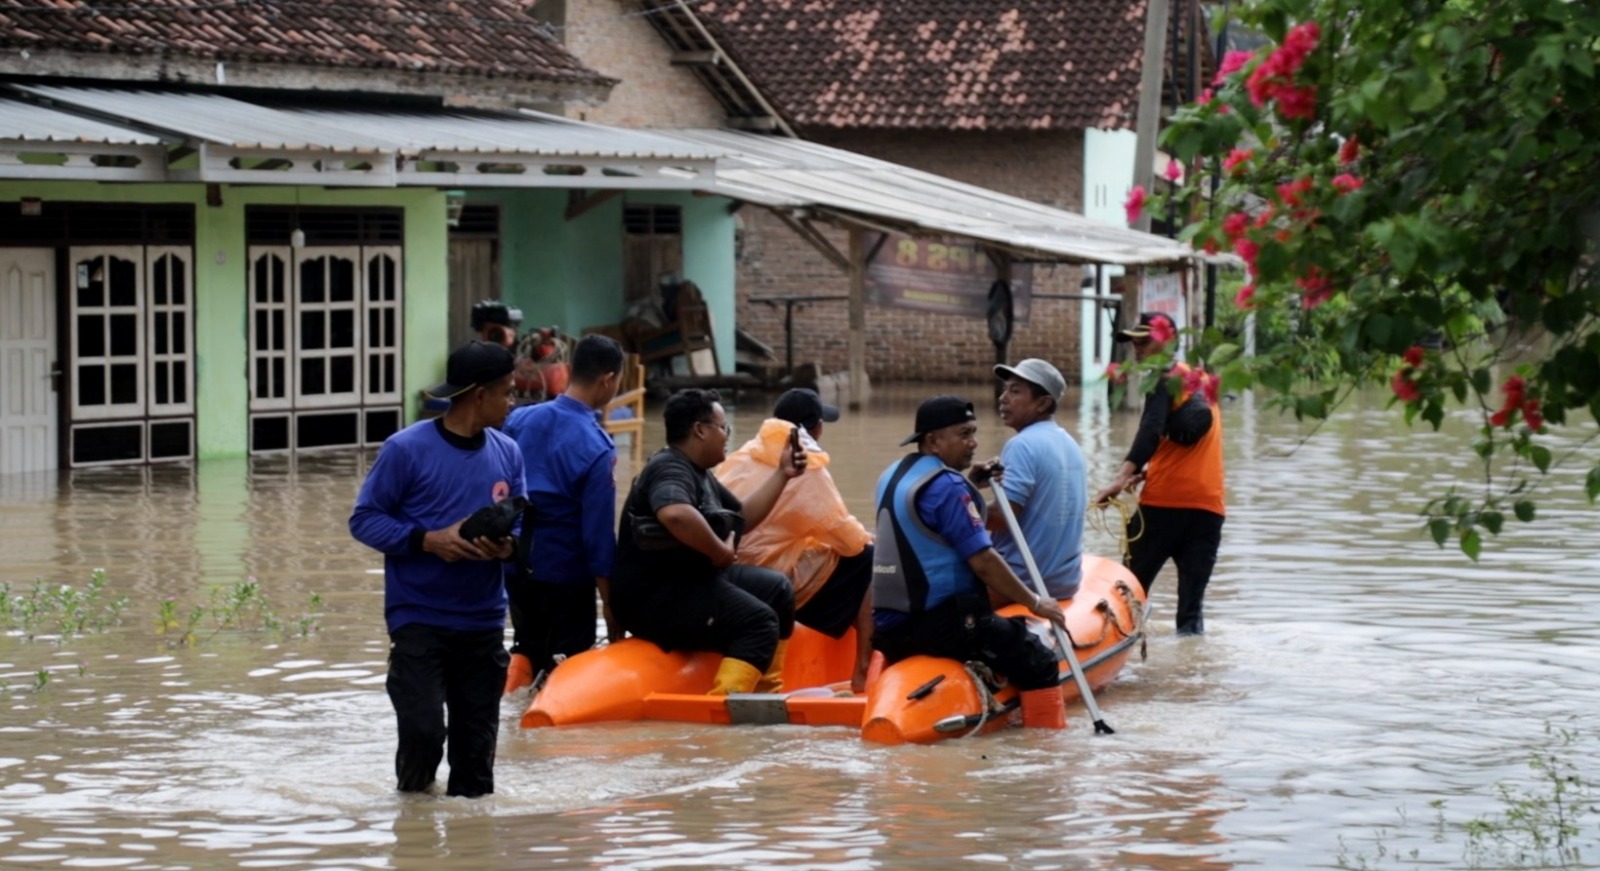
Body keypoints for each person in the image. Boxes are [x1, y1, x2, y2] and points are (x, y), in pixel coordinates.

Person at [349, 340, 523, 798]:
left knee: (475, 764)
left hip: (483, 622)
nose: (513, 402)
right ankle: (413, 828)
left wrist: (505, 549)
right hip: (419, 619)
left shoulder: (509, 452)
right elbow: (364, 520)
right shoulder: (405, 449)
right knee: (424, 735)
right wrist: (429, 540)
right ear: (479, 394)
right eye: (507, 392)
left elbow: (524, 531)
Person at [870, 395, 1072, 729]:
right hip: (946, 626)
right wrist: (1036, 602)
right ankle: (1046, 754)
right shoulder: (949, 487)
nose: (974, 443)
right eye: (964, 434)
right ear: (934, 441)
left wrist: (970, 483)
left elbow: (928, 515)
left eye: (974, 433)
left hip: (892, 628)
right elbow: (984, 562)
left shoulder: (892, 476)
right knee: (1038, 658)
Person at [609, 388, 807, 695]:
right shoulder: (669, 468)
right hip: (654, 595)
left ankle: (767, 691)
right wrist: (719, 552)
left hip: (689, 581)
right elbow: (674, 513)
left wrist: (783, 473)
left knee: (778, 591)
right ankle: (723, 710)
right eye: (723, 427)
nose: (727, 435)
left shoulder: (700, 473)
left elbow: (743, 516)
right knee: (758, 622)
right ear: (700, 430)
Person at [713, 388, 875, 692]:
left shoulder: (744, 453)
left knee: (835, 553)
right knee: (871, 558)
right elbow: (846, 536)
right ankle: (863, 671)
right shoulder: (807, 464)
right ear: (816, 428)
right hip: (774, 577)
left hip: (730, 571)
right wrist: (867, 537)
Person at [500, 334, 626, 694]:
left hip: (514, 564)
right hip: (564, 575)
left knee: (528, 650)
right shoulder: (597, 445)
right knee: (567, 668)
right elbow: (597, 536)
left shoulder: (518, 420)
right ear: (607, 379)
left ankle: (514, 717)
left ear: (571, 370)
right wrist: (610, 602)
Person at [1092, 312, 1226, 636]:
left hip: (1163, 508)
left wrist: (1120, 479)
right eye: (1134, 343)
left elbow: (1150, 431)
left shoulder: (1162, 379)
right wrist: (1148, 471)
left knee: (1129, 593)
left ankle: (1112, 658)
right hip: (1208, 509)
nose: (1137, 349)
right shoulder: (1200, 381)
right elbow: (1188, 443)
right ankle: (1192, 673)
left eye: (1144, 341)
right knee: (1191, 614)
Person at [972, 359, 1087, 603]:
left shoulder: (1021, 445)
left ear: (1042, 403)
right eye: (1005, 390)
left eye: (1015, 391)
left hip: (1023, 581)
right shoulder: (1071, 444)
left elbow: (1002, 519)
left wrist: (962, 501)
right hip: (1065, 581)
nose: (1003, 398)